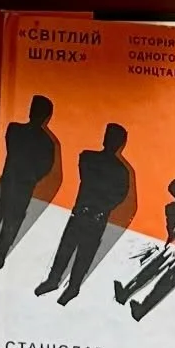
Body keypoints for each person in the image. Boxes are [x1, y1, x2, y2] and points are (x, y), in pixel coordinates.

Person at [35, 123, 131, 306]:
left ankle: (68, 286)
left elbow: (115, 193)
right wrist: (103, 206)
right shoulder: (115, 169)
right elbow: (117, 194)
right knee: (72, 250)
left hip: (89, 214)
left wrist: (100, 206)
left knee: (79, 252)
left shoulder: (89, 158)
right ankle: (60, 283)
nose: (108, 140)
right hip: (92, 215)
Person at [113, 178, 175, 320]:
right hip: (172, 249)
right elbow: (171, 228)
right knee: (149, 272)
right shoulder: (172, 208)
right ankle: (125, 294)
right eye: (174, 193)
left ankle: (141, 310)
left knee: (164, 284)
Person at [0, 95, 58, 270]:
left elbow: (11, 149)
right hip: (22, 186)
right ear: (47, 117)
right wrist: (30, 177)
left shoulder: (14, 129)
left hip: (8, 181)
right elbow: (45, 167)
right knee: (10, 224)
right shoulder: (47, 143)